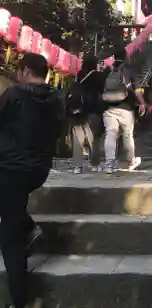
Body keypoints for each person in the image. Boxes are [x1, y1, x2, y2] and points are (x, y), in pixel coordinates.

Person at [0, 53, 66, 308]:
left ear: (26, 71)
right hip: (39, 169)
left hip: (10, 169)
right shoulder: (57, 99)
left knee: (9, 238)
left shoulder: (14, 95)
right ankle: (28, 226)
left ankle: (19, 301)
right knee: (12, 209)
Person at [102, 47, 146, 174]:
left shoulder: (108, 70)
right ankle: (131, 161)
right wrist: (142, 103)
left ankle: (109, 165)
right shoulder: (129, 70)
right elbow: (137, 90)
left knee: (110, 134)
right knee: (127, 135)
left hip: (109, 107)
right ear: (126, 56)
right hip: (126, 108)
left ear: (114, 57)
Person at [67, 55, 105, 174]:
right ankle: (94, 164)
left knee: (78, 139)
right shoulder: (98, 76)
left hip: (77, 109)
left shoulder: (79, 74)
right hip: (92, 109)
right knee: (93, 138)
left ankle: (77, 166)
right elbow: (102, 91)